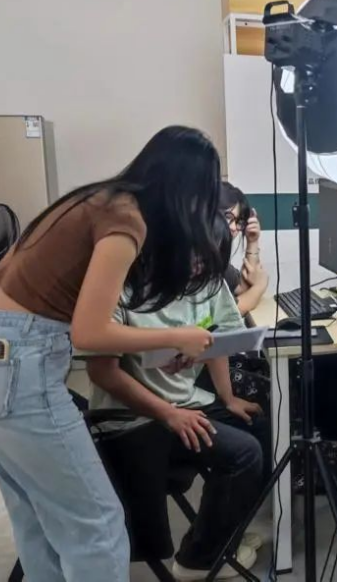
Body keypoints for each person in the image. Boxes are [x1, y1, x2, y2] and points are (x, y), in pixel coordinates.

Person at [0, 126, 224, 582]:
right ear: (184, 192)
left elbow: (6, 279)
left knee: (38, 521)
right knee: (98, 527)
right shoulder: (127, 220)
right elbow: (89, 332)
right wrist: (176, 337)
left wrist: (162, 344)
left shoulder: (92, 199)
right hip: (21, 371)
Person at [86, 219, 269, 580]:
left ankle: (222, 533)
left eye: (210, 262)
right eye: (196, 259)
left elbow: (217, 340)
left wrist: (228, 398)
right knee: (244, 453)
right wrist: (169, 414)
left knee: (263, 428)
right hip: (136, 415)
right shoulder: (125, 288)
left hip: (187, 400)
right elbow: (103, 373)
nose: (200, 270)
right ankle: (197, 560)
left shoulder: (209, 282)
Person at [220, 181, 268, 317]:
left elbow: (241, 289)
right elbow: (226, 315)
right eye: (228, 217)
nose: (234, 228)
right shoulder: (196, 256)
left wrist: (252, 240)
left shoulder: (217, 257)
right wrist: (259, 286)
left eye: (238, 222)